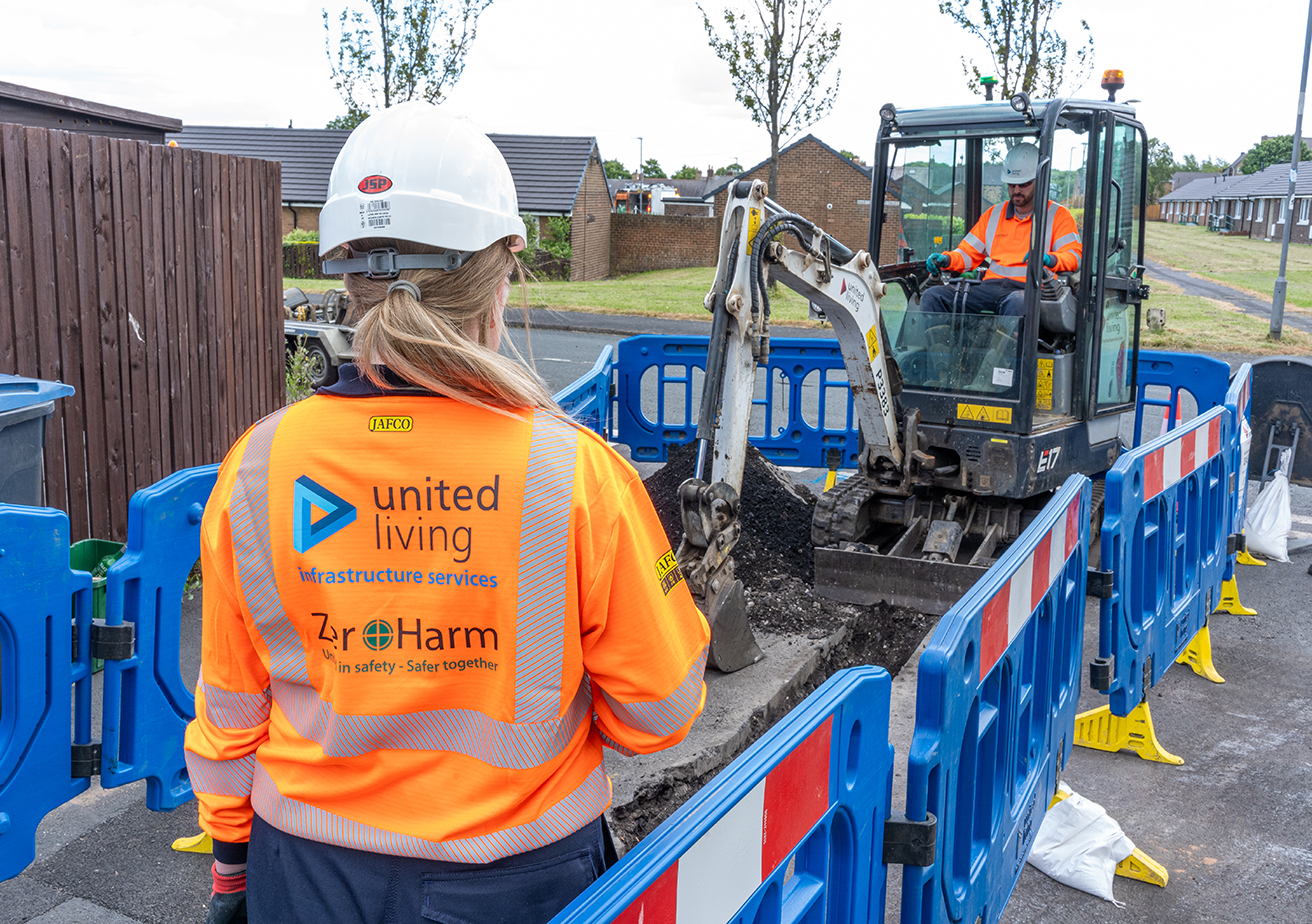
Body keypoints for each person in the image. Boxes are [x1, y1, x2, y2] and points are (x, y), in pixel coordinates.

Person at [184, 101, 711, 924]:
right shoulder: (574, 472)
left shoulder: (257, 465)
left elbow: (228, 707)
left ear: (345, 278)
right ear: (498, 279)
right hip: (516, 879)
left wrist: (229, 866)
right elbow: (660, 714)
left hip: (306, 874)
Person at [921, 142, 1082, 316]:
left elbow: (1074, 256)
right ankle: (940, 343)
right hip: (989, 287)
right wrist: (947, 259)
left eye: (1024, 184)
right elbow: (968, 253)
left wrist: (1049, 259)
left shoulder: (1058, 215)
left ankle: (1001, 343)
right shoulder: (994, 214)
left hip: (1031, 289)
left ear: (1039, 180)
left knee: (1017, 303)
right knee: (933, 296)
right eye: (1012, 185)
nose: (1017, 190)